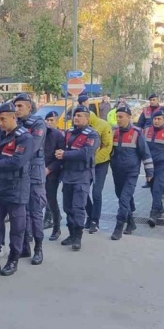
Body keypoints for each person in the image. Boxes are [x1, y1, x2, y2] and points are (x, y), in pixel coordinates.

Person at [0, 103, 33, 276]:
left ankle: (13, 260)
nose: (0, 123)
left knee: (17, 227)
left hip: (16, 188)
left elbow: (17, 162)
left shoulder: (25, 138)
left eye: (3, 119)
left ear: (13, 117)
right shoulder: (2, 136)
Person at [56, 106, 99, 250]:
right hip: (68, 175)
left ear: (87, 118)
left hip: (82, 175)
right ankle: (71, 233)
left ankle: (78, 237)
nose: (76, 118)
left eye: (80, 116)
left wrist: (65, 155)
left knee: (78, 207)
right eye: (75, 115)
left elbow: (86, 153)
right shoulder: (69, 133)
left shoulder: (92, 135)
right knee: (68, 207)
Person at [109, 105, 153, 241]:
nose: (118, 119)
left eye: (121, 117)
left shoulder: (137, 133)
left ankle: (118, 227)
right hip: (117, 172)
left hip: (131, 172)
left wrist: (149, 172)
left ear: (129, 117)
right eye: (117, 117)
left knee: (124, 199)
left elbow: (145, 153)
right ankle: (131, 223)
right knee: (121, 196)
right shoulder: (114, 132)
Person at [14, 94, 47, 264]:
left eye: (20, 106)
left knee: (35, 213)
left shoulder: (38, 123)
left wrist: (16, 153)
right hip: (21, 174)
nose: (17, 109)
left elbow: (32, 147)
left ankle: (38, 248)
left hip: (34, 174)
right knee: (22, 214)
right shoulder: (15, 124)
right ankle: (24, 246)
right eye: (16, 106)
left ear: (29, 107)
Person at [83, 108, 113, 235]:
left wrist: (94, 159)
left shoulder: (103, 125)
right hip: (86, 164)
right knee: (83, 191)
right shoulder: (81, 127)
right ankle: (90, 215)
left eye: (80, 116)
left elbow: (107, 146)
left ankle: (95, 221)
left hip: (101, 163)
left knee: (96, 192)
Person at [43, 111, 65, 241]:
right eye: (47, 120)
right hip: (37, 172)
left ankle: (56, 227)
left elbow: (60, 158)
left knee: (51, 201)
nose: (49, 122)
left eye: (52, 120)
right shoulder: (40, 134)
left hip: (51, 173)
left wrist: (49, 169)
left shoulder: (58, 135)